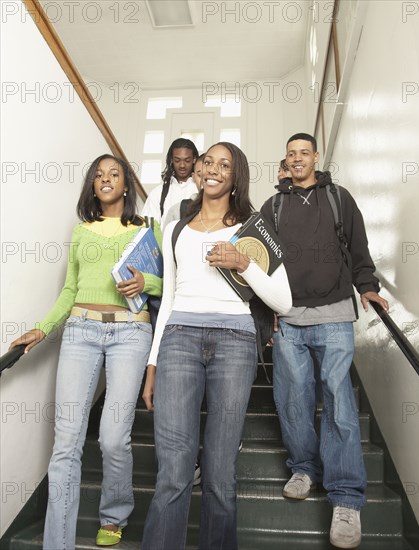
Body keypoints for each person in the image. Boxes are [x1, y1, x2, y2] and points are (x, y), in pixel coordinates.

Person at [141, 142, 292, 550]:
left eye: (224, 165)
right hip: (179, 340)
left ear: (236, 175)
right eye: (208, 161)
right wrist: (153, 363)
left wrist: (244, 264)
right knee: (173, 471)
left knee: (220, 473)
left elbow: (284, 300)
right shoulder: (176, 227)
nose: (212, 169)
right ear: (197, 169)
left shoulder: (253, 228)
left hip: (236, 342)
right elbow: (168, 299)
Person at [9, 154, 163, 549]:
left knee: (113, 437)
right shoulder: (82, 232)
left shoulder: (149, 228)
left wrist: (146, 281)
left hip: (131, 333)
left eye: (114, 174)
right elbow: (70, 290)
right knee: (67, 442)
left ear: (126, 185)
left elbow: (167, 286)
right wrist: (42, 329)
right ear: (93, 186)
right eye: (99, 175)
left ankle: (114, 515)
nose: (106, 179)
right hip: (80, 331)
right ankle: (57, 541)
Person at [260, 133, 389, 549]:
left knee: (339, 400)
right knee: (293, 398)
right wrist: (268, 315)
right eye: (291, 154)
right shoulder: (273, 206)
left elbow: (358, 245)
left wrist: (366, 286)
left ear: (316, 157)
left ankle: (347, 498)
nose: (298, 159)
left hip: (334, 314)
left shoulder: (338, 197)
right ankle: (303, 468)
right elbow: (259, 265)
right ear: (286, 161)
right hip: (289, 319)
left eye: (304, 153)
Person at [141, 137, 199, 229]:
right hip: (164, 243)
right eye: (177, 160)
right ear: (171, 160)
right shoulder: (157, 193)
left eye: (187, 160)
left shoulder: (202, 189)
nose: (182, 165)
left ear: (194, 159)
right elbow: (148, 227)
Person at [162, 153, 204, 227]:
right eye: (200, 175)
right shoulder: (177, 210)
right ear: (193, 177)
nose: (205, 180)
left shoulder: (230, 210)